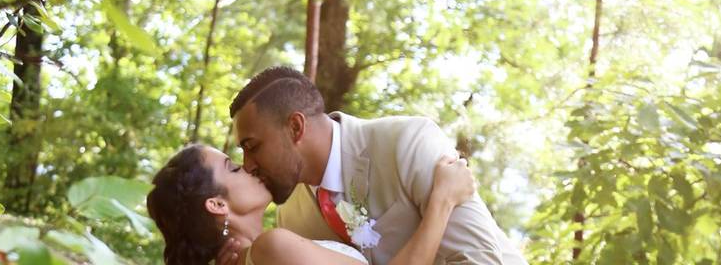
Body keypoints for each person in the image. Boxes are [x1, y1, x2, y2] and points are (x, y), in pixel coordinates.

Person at [219, 67, 528, 265]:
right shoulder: (291, 218)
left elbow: (481, 260)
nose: (248, 165)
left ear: (296, 128)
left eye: (252, 146)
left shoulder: (407, 142)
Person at [146, 143, 477, 265]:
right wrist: (443, 201)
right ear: (217, 204)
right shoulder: (270, 248)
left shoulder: (270, 247)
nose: (248, 166)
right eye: (233, 167)